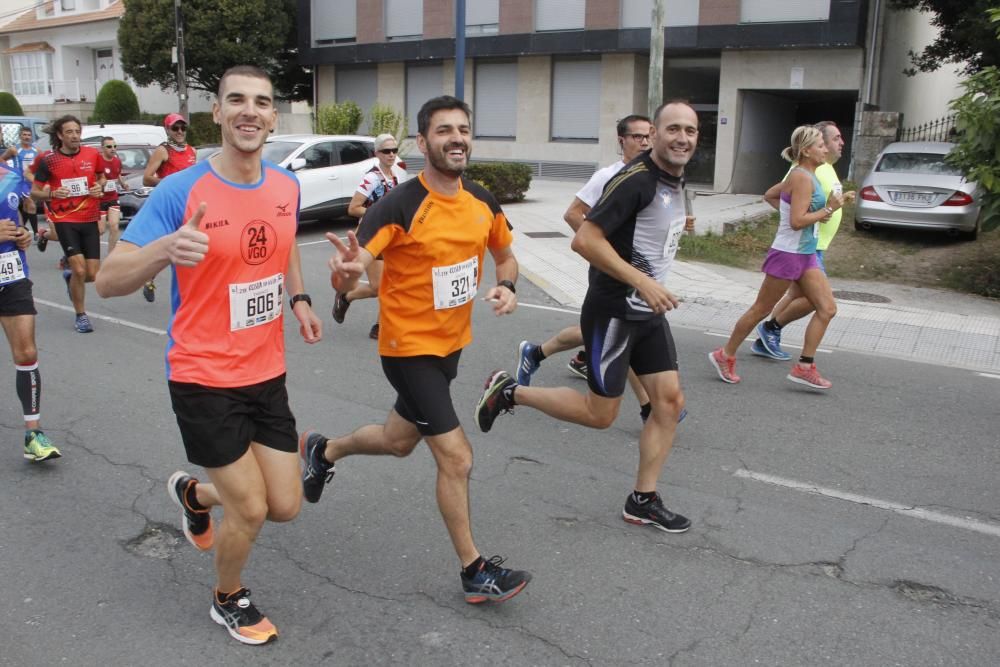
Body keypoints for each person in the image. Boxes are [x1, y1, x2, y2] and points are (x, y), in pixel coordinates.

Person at [96, 65, 322, 645]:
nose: (250, 111)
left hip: (266, 370)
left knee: (286, 504)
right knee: (248, 509)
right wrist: (165, 249)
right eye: (236, 101)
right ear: (217, 113)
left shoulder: (285, 186)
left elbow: (285, 242)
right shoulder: (181, 191)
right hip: (202, 374)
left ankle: (193, 494)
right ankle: (228, 597)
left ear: (273, 117)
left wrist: (298, 298)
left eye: (262, 102)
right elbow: (108, 281)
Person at [301, 95, 531, 604]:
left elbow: (506, 254)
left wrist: (508, 286)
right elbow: (360, 257)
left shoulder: (482, 201)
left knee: (398, 439)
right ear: (423, 142)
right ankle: (474, 570)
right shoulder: (399, 205)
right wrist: (347, 270)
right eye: (444, 130)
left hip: (450, 347)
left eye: (464, 129)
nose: (457, 138)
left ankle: (324, 449)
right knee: (456, 457)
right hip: (407, 349)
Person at [475, 101, 700, 534]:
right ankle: (510, 392)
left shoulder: (674, 179)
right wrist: (644, 281)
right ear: (654, 132)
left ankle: (643, 499)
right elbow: (585, 238)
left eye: (690, 131)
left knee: (668, 403)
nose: (682, 138)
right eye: (674, 129)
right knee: (601, 415)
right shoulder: (635, 180)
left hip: (647, 311)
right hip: (615, 309)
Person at [515, 114, 689, 424]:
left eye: (646, 136)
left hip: (637, 289)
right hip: (615, 280)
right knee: (615, 334)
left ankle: (537, 352)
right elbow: (573, 215)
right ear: (622, 140)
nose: (643, 142)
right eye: (636, 137)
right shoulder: (609, 176)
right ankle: (648, 402)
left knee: (597, 333)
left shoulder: (661, 175)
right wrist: (606, 252)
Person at [708, 125, 843, 389]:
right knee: (762, 309)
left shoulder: (806, 175)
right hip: (788, 254)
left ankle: (805, 366)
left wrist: (791, 208)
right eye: (820, 145)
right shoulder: (802, 177)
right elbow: (796, 222)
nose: (826, 148)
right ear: (806, 150)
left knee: (827, 308)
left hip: (805, 254)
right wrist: (828, 208)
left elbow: (771, 195)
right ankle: (724, 355)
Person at [749, 121, 856, 360]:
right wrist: (794, 218)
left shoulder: (824, 168)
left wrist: (834, 205)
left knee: (801, 298)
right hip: (803, 247)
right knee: (814, 302)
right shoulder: (802, 171)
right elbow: (781, 198)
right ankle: (765, 334)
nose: (840, 143)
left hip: (813, 246)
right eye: (835, 139)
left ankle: (767, 336)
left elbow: (818, 203)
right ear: (818, 144)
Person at [0, 159, 60, 462]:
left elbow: (21, 220)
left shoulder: (11, 178)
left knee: (26, 352)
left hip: (11, 275)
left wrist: (22, 235)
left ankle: (33, 434)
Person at [30, 115, 105, 333]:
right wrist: (51, 193)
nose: (75, 136)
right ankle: (81, 315)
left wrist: (99, 187)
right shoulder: (49, 160)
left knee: (91, 274)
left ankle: (70, 278)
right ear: (60, 135)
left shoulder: (92, 154)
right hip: (65, 220)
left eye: (77, 131)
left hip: (89, 217)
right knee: (80, 270)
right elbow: (35, 192)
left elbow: (101, 178)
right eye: (69, 132)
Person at [332, 133, 409, 340]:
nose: (391, 154)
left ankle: (379, 326)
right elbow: (353, 208)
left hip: (392, 237)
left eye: (394, 150)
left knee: (393, 284)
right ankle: (346, 296)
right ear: (377, 153)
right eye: (386, 151)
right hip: (373, 237)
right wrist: (379, 213)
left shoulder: (397, 175)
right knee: (378, 287)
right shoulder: (372, 178)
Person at [139, 113, 198, 303]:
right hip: (169, 204)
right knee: (170, 247)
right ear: (167, 130)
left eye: (183, 128)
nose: (180, 132)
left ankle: (190, 289)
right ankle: (149, 278)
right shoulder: (163, 151)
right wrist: (169, 183)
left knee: (188, 246)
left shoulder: (192, 151)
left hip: (188, 204)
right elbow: (146, 178)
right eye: (175, 128)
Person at [1, 125, 41, 241]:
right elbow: (2, 159)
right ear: (20, 136)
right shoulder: (14, 149)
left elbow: (41, 163)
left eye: (29, 135)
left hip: (31, 182)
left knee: (27, 208)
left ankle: (20, 228)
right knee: (31, 205)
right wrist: (10, 172)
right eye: (24, 135)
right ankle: (37, 233)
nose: (26, 137)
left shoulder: (36, 150)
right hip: (20, 182)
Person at [98, 136, 128, 252]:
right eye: (109, 146)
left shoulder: (117, 161)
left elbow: (118, 174)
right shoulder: (98, 161)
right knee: (101, 230)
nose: (113, 149)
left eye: (115, 146)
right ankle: (86, 247)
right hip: (100, 200)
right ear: (102, 148)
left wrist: (123, 184)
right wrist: (99, 184)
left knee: (114, 227)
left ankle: (111, 256)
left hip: (112, 197)